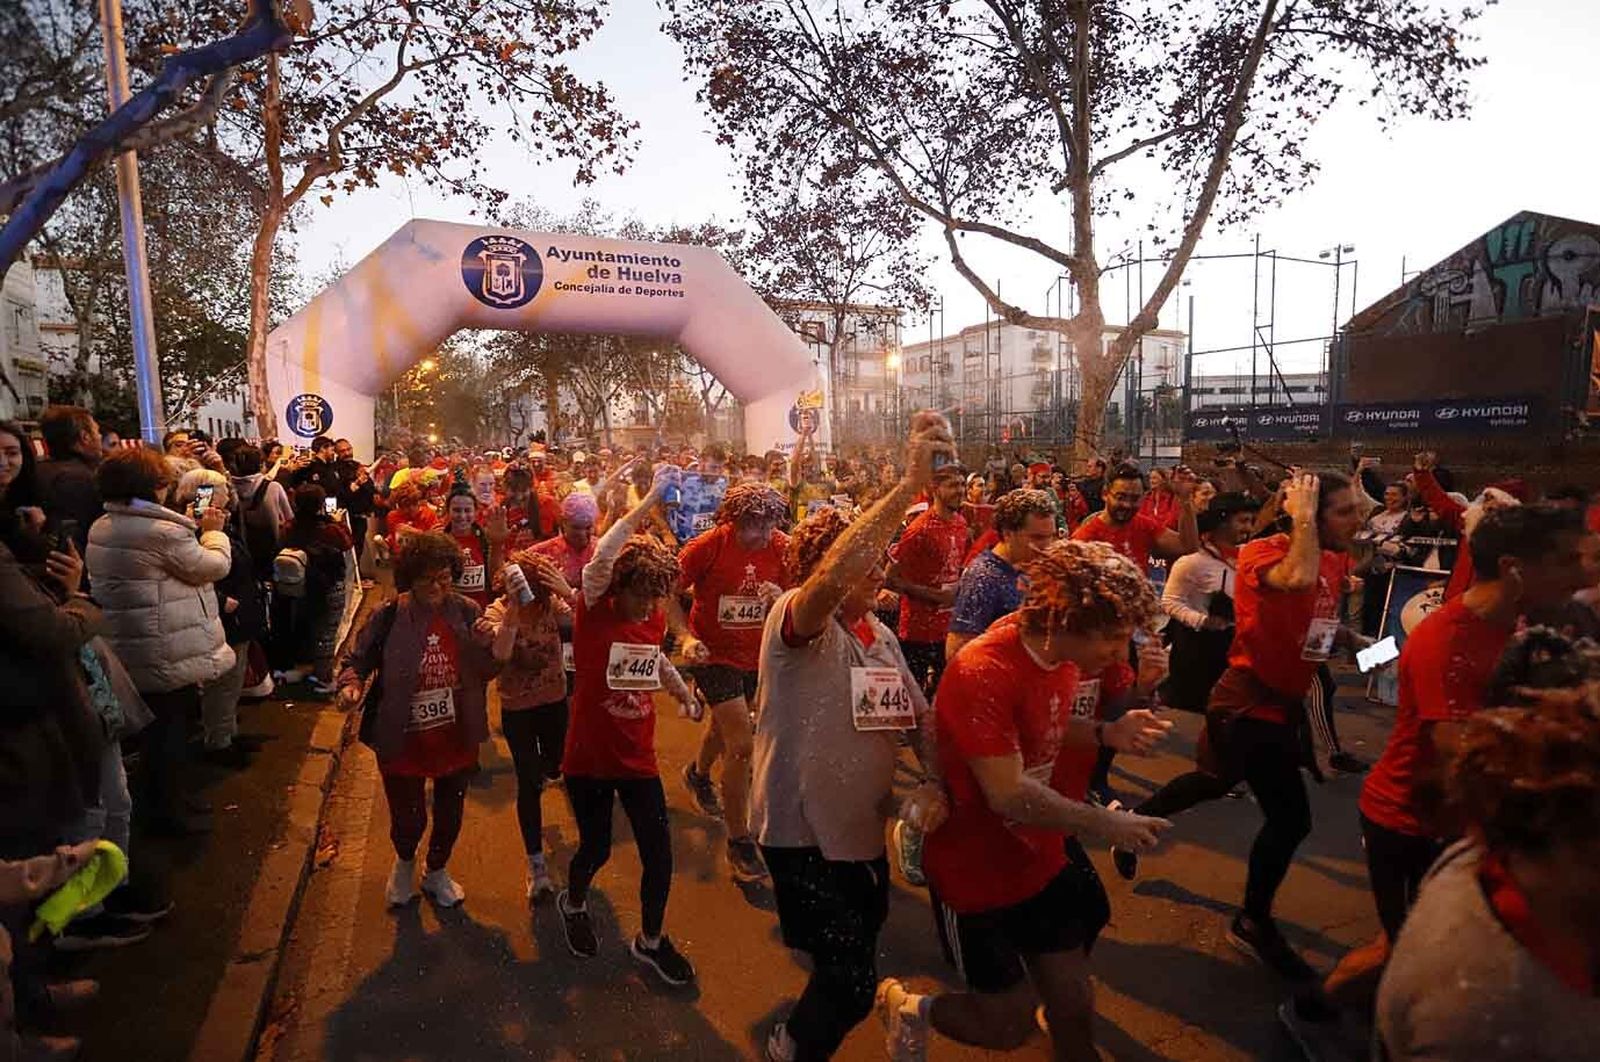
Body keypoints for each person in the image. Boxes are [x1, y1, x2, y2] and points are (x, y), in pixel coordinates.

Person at [1287, 505, 1589, 1045]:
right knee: (1399, 947)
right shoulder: (1446, 639)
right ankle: (1310, 1013)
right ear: (1515, 567)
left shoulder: (1525, 627)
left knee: (1400, 942)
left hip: (1457, 823)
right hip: (1408, 821)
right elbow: (1461, 759)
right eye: (1566, 560)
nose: (1582, 573)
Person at [885, 540, 1173, 1062]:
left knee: (1073, 1005)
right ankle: (908, 1007)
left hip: (1040, 858)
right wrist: (1106, 824)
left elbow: (1049, 725)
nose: (1119, 652)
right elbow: (1007, 793)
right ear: (1064, 619)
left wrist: (1107, 732)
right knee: (1003, 1028)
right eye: (1111, 638)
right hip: (974, 872)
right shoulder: (986, 668)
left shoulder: (1059, 656)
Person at [751, 412, 954, 1062]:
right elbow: (833, 580)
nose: (883, 567)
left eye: (882, 557)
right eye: (870, 556)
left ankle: (828, 1014)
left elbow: (919, 720)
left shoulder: (882, 636)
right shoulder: (793, 623)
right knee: (851, 979)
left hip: (861, 834)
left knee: (853, 957)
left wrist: (935, 781)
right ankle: (792, 1048)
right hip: (799, 835)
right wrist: (906, 488)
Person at [1111, 472, 1364, 982]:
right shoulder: (1263, 553)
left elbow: (1312, 620)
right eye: (1344, 512)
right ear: (1308, 517)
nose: (1357, 522)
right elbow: (1297, 579)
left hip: (1282, 705)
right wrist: (1300, 514)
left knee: (1214, 780)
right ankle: (1252, 921)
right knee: (1291, 820)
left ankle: (1130, 823)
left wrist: (1356, 643)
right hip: (1247, 706)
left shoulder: (1334, 558)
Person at [1374, 698, 1600, 1061]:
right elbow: (1445, 734)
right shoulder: (1481, 1010)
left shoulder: (1497, 860)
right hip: (1397, 817)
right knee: (1386, 944)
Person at [556, 469, 700, 986]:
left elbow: (653, 660)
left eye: (655, 597)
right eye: (640, 594)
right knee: (595, 849)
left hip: (638, 760)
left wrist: (684, 694)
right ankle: (573, 902)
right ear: (620, 585)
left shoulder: (652, 617)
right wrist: (651, 499)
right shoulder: (594, 603)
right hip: (589, 758)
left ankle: (651, 942)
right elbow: (605, 551)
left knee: (659, 856)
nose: (647, 606)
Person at [338, 533, 513, 908]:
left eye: (444, 578)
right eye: (426, 579)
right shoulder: (388, 615)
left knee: (450, 816)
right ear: (410, 579)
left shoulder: (466, 611)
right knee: (408, 818)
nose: (436, 587)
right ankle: (404, 864)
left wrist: (492, 644)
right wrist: (350, 687)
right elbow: (357, 661)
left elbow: (487, 670)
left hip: (455, 734)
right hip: (403, 737)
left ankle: (436, 871)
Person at [87, 447, 233, 836]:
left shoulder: (103, 524)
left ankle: (168, 802)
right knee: (169, 734)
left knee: (157, 734)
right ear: (153, 486)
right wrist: (213, 532)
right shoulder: (161, 531)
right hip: (162, 646)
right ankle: (169, 813)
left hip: (131, 641)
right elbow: (213, 566)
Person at [675, 482, 792, 884]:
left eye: (770, 524)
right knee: (742, 744)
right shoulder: (707, 546)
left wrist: (783, 597)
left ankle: (697, 774)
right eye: (753, 525)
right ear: (733, 520)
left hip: (757, 655)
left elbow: (801, 596)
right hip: (712, 654)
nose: (763, 534)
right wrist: (683, 637)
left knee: (725, 727)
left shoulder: (782, 547)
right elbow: (665, 591)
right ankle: (739, 840)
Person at [476, 551, 575, 902]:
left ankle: (546, 773)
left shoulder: (552, 606)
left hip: (554, 701)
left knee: (555, 765)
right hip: (518, 708)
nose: (529, 591)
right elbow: (501, 654)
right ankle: (536, 865)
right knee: (529, 782)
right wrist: (514, 612)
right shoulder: (498, 611)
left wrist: (565, 592)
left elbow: (582, 624)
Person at [173, 469, 264, 769]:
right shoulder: (197, 528)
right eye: (222, 487)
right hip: (226, 617)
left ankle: (228, 733)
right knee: (222, 684)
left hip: (239, 611)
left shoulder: (220, 522)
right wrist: (225, 601)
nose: (228, 490)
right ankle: (218, 743)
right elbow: (200, 570)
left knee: (233, 681)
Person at [1159, 493, 1259, 713]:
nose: (1249, 528)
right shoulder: (1191, 562)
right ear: (1222, 522)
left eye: (1251, 521)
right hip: (1197, 652)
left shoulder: (1249, 558)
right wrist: (1202, 621)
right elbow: (1169, 601)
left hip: (1235, 649)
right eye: (1243, 521)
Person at [885, 463, 969, 695]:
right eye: (953, 485)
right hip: (917, 632)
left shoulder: (961, 523)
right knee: (913, 697)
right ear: (935, 489)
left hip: (948, 628)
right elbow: (889, 579)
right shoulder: (919, 530)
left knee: (946, 695)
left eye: (962, 484)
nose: (960, 490)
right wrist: (935, 596)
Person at [945, 488, 1057, 660]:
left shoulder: (1031, 564)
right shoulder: (983, 577)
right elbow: (957, 651)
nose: (1047, 546)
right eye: (1037, 538)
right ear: (1008, 533)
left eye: (1051, 536)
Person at [274, 485, 354, 692]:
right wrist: (337, 521)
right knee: (327, 631)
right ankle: (324, 678)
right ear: (320, 505)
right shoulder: (330, 529)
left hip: (299, 586)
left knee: (305, 626)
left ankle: (303, 670)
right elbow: (347, 543)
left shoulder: (289, 527)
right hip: (329, 585)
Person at [1071, 463, 1198, 569]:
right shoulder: (1084, 538)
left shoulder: (1144, 526)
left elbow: (1187, 547)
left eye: (1134, 498)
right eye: (1120, 497)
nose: (1127, 505)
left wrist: (1185, 500)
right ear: (1105, 494)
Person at [34, 405, 104, 556]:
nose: (100, 437)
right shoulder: (78, 479)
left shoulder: (37, 470)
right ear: (85, 437)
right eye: (97, 431)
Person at [229, 442, 293, 583]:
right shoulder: (273, 487)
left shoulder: (229, 488)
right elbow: (289, 517)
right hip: (271, 547)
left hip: (241, 549)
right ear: (261, 465)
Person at [442, 485, 507, 610]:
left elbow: (497, 577)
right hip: (451, 612)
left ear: (476, 512)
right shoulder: (440, 541)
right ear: (447, 511)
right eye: (456, 510)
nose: (462, 516)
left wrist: (497, 544)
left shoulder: (487, 539)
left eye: (467, 510)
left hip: (482, 611)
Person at [333, 439, 377, 561]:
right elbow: (337, 494)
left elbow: (371, 488)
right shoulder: (334, 470)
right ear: (336, 453)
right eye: (342, 451)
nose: (347, 453)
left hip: (361, 515)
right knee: (345, 548)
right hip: (345, 516)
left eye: (349, 449)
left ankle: (357, 571)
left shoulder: (358, 466)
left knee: (358, 546)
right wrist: (355, 484)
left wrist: (364, 481)